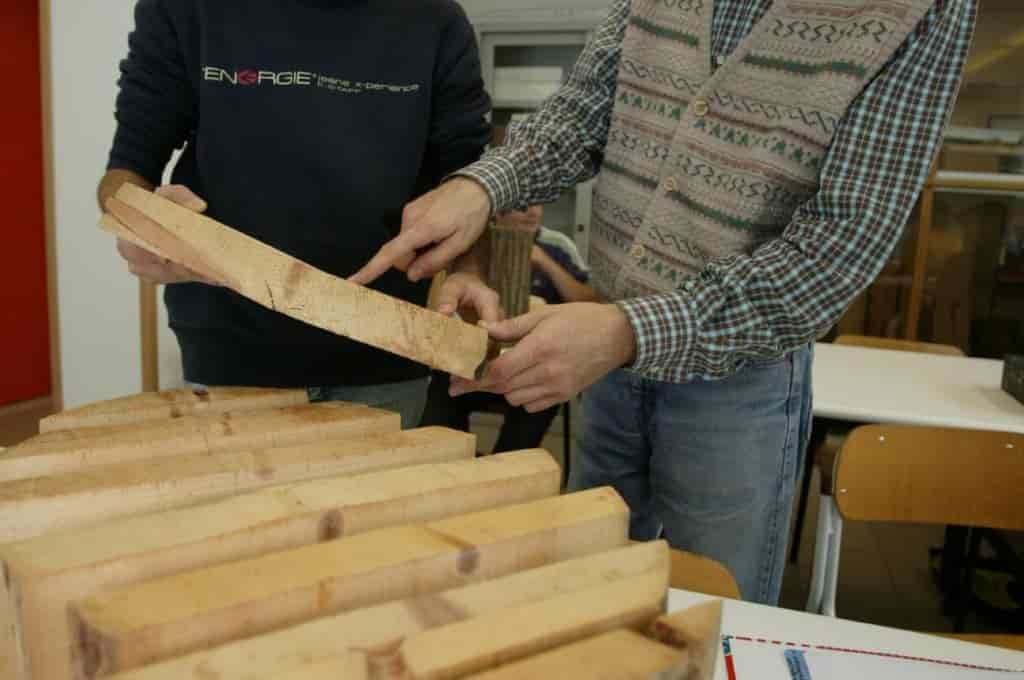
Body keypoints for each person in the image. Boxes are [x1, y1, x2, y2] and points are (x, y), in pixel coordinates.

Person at [351, 0, 977, 603]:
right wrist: (482, 187)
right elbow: (582, 115)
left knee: (715, 611)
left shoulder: (920, 8)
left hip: (737, 381)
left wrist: (628, 332)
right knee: (590, 595)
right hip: (609, 362)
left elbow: (835, 251)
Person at [98, 0, 494, 428]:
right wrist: (139, 220)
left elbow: (469, 178)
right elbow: (127, 168)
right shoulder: (185, 9)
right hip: (228, 357)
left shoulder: (435, 19)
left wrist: (470, 269)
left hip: (387, 352)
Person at [420, 206, 599, 454]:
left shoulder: (558, 244)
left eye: (539, 204)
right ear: (497, 210)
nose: (532, 212)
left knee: (542, 397)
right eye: (522, 206)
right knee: (441, 390)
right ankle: (456, 461)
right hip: (470, 366)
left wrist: (543, 260)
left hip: (528, 367)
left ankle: (505, 465)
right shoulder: (472, 245)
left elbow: (591, 304)